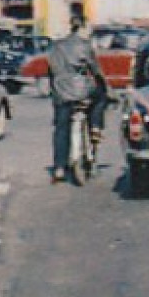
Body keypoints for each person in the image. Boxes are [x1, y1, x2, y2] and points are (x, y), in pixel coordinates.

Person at [48, 20, 108, 185]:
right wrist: (108, 89)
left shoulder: (56, 46)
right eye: (89, 29)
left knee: (61, 127)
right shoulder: (85, 45)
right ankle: (95, 126)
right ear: (81, 28)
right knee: (100, 98)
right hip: (82, 90)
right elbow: (96, 70)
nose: (90, 33)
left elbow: (51, 71)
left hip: (62, 93)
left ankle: (59, 167)